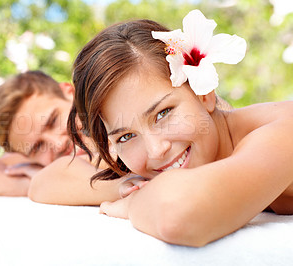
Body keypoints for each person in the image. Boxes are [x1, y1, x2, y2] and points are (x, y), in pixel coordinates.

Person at [67, 10, 293, 247]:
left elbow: (177, 215)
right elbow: (48, 179)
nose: (156, 151)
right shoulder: (176, 155)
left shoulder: (282, 130)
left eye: (163, 114)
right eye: (126, 136)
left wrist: (134, 202)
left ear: (203, 92)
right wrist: (123, 187)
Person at [0, 70, 130, 205]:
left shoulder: (119, 109)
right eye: (37, 147)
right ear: (26, 158)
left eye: (53, 121)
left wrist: (59, 182)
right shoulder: (43, 167)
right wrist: (45, 179)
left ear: (70, 92)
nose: (58, 143)